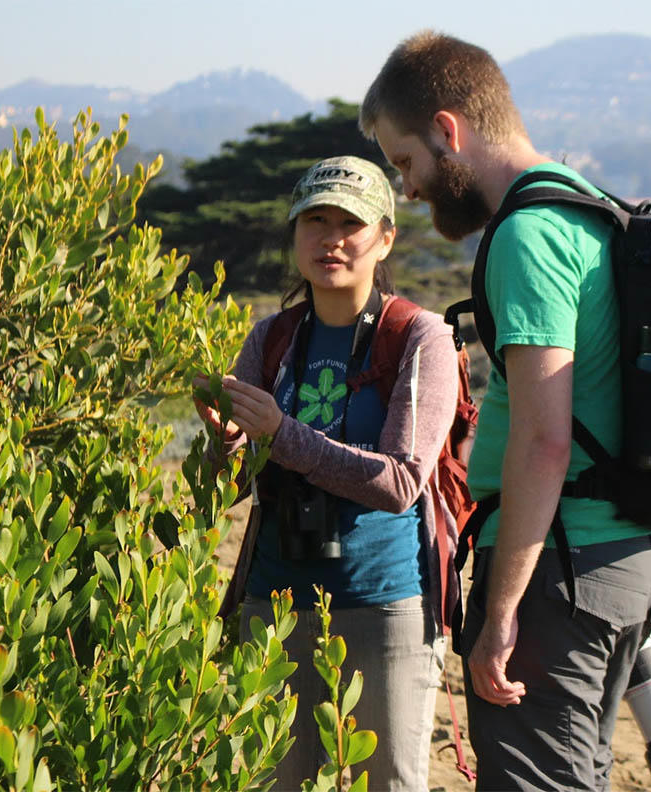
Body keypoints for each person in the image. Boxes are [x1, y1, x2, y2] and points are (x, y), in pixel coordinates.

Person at [360, 33, 651, 791]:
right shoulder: (585, 203)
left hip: (560, 567)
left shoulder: (526, 236)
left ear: (448, 129)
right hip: (626, 557)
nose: (406, 190)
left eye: (405, 162)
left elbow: (543, 440)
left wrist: (500, 615)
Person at [195, 155, 459, 791]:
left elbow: (401, 483)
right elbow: (222, 494)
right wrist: (224, 445)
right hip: (273, 602)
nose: (331, 238)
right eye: (315, 220)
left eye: (351, 222)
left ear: (385, 237)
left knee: (388, 783)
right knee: (273, 781)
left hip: (383, 603)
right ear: (294, 234)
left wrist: (281, 434)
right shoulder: (274, 337)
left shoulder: (420, 338)